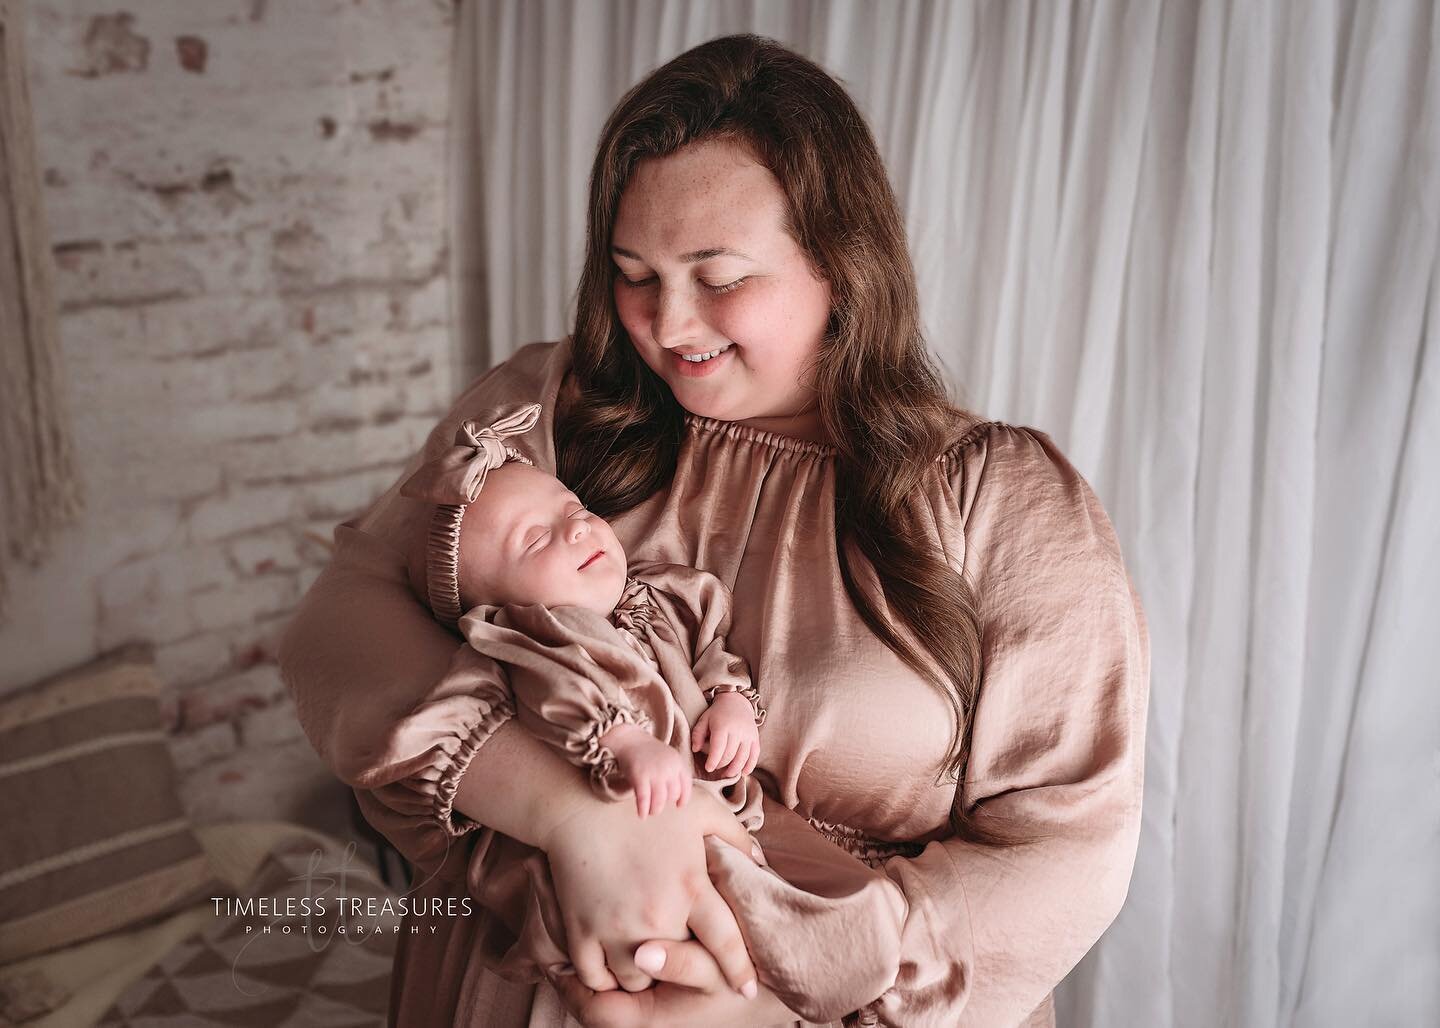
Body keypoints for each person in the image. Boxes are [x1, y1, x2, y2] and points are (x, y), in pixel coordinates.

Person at [280, 33, 1149, 1028]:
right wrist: (570, 816)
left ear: (840, 260)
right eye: (632, 272)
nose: (668, 323)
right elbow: (334, 631)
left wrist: (772, 989)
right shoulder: (545, 413)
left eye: (718, 273)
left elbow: (1070, 848)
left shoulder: (1001, 498)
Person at [388, 402, 910, 1021]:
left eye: (574, 510)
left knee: (851, 903)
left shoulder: (661, 596)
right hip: (632, 813)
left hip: (721, 805)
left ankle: (833, 983)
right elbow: (555, 697)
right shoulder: (539, 637)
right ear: (494, 606)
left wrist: (730, 701)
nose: (577, 530)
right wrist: (620, 743)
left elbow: (715, 645)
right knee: (691, 923)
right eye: (535, 541)